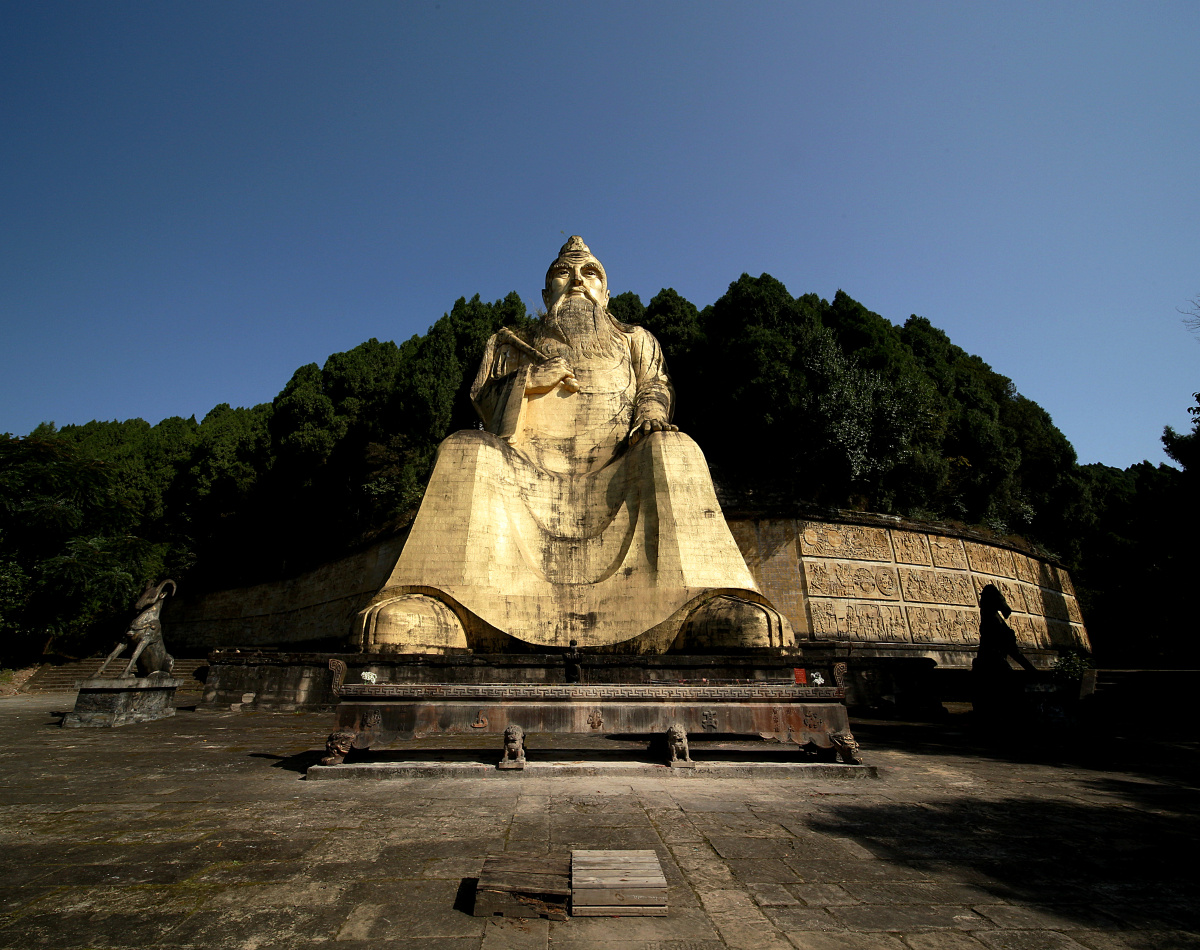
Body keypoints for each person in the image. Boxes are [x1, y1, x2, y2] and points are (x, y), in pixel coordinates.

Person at [355, 237, 794, 654]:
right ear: (546, 290)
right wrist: (528, 380)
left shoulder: (635, 339)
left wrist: (651, 416)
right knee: (464, 448)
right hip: (525, 470)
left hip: (620, 468)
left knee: (675, 450)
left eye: (590, 272)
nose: (578, 279)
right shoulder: (510, 343)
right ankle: (444, 601)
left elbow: (655, 388)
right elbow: (485, 405)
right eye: (564, 272)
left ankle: (699, 602)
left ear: (606, 290)